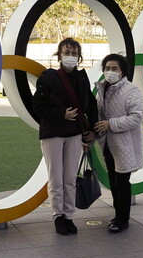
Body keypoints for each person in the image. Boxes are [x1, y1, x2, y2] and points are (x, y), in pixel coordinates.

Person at [32, 38, 98, 235]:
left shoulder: (82, 78)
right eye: (66, 52)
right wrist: (62, 114)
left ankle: (69, 215)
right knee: (56, 179)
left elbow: (91, 105)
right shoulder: (47, 77)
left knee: (70, 177)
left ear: (79, 56)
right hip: (52, 133)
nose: (70, 56)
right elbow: (38, 106)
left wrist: (92, 129)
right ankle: (58, 216)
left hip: (74, 134)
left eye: (74, 53)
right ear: (59, 55)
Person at [93, 53, 143, 233]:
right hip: (108, 143)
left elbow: (137, 117)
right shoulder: (102, 88)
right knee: (113, 181)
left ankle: (123, 220)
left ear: (122, 71)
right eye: (107, 68)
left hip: (125, 145)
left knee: (122, 183)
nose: (110, 72)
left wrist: (110, 124)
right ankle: (117, 216)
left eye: (114, 68)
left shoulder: (131, 90)